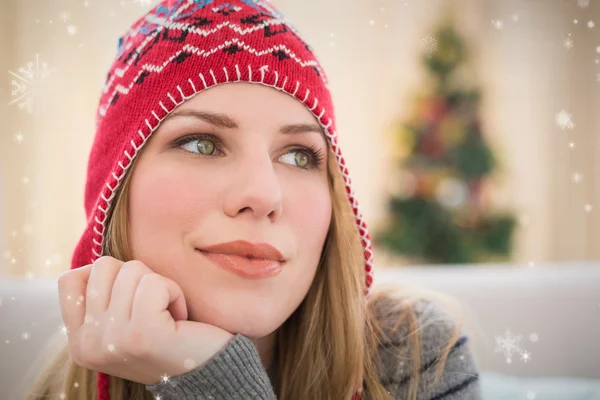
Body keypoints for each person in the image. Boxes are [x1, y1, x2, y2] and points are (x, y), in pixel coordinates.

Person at [26, 0, 483, 399]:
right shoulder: (53, 390)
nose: (264, 195)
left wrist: (208, 380)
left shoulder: (415, 357)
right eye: (201, 143)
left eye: (300, 155)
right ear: (114, 189)